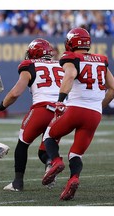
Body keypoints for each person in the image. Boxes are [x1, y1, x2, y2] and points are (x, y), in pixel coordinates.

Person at [41, 27, 114, 201]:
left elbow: (71, 75)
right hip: (94, 114)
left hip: (75, 108)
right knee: (76, 153)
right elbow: (113, 88)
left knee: (49, 135)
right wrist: (100, 106)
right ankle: (73, 179)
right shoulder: (101, 59)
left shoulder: (71, 57)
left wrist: (60, 99)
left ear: (71, 42)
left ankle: (56, 161)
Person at [0, 38, 64, 191]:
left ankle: (17, 183)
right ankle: (51, 163)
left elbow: (16, 92)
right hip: (61, 112)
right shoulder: (61, 64)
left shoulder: (29, 65)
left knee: (22, 145)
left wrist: (2, 105)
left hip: (41, 110)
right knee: (46, 150)